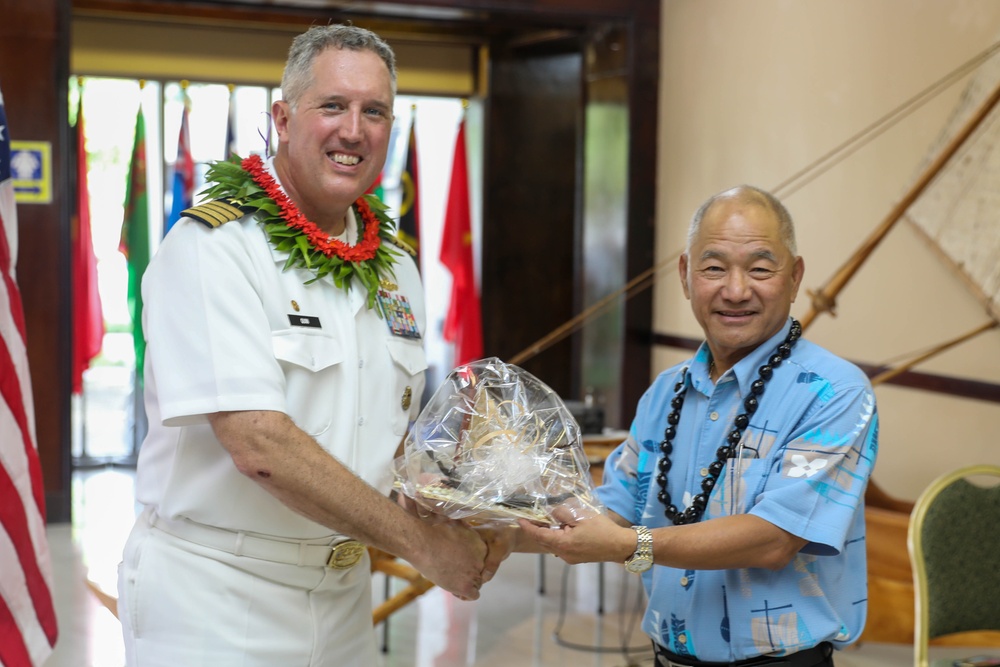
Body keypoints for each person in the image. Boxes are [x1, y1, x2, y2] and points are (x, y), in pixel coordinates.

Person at [117, 24, 499, 666]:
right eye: (333, 106)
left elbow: (387, 439)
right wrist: (422, 545)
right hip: (214, 594)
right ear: (283, 118)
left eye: (374, 111)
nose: (354, 130)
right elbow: (259, 443)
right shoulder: (216, 247)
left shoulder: (396, 265)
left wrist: (488, 506)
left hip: (344, 593)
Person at [519, 185, 878, 667]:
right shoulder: (666, 393)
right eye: (714, 267)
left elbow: (774, 539)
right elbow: (612, 508)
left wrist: (631, 545)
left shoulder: (836, 392)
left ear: (794, 278)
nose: (735, 290)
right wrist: (497, 526)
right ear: (686, 276)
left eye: (759, 267)